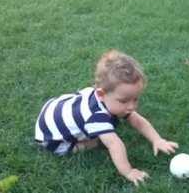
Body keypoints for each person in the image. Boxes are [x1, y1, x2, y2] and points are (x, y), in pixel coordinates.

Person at [34, 49, 179, 186]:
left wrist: (157, 140)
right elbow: (114, 145)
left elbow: (137, 120)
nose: (131, 106)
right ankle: (79, 143)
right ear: (101, 94)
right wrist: (128, 171)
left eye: (135, 99)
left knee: (114, 120)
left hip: (55, 106)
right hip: (50, 137)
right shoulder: (97, 117)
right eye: (124, 101)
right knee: (95, 142)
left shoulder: (104, 96)